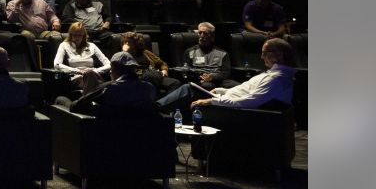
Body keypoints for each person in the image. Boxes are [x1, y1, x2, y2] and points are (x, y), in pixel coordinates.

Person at [158, 37, 296, 115]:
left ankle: (154, 109)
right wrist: (220, 91)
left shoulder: (276, 79)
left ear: (277, 55)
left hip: (231, 110)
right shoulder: (273, 74)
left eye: (264, 53)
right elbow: (244, 91)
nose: (261, 57)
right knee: (191, 89)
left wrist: (211, 101)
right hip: (224, 99)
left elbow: (249, 102)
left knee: (189, 89)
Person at [65, 51, 157, 116]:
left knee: (61, 99)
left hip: (104, 131)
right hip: (139, 134)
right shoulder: (150, 89)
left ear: (113, 69)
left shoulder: (108, 88)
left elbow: (76, 106)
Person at [171, 22, 237, 89]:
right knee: (206, 86)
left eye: (205, 33)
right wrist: (200, 76)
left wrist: (213, 77)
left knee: (236, 86)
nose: (201, 35)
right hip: (200, 80)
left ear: (211, 36)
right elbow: (186, 70)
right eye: (200, 33)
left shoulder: (222, 53)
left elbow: (226, 72)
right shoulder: (190, 52)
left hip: (219, 79)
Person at [52, 22, 111, 95]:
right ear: (70, 35)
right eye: (75, 35)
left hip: (93, 75)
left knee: (92, 76)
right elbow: (57, 65)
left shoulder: (92, 46)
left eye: (80, 35)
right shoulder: (64, 45)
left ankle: (88, 98)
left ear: (84, 36)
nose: (77, 38)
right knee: (102, 86)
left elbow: (109, 64)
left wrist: (95, 71)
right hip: (76, 77)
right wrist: (77, 71)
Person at [120, 30, 179, 96]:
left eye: (129, 42)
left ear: (136, 43)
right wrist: (124, 53)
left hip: (153, 75)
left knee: (175, 83)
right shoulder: (121, 55)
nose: (126, 44)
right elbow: (121, 68)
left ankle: (163, 103)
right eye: (125, 42)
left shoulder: (145, 52)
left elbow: (162, 63)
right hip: (137, 78)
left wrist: (164, 70)